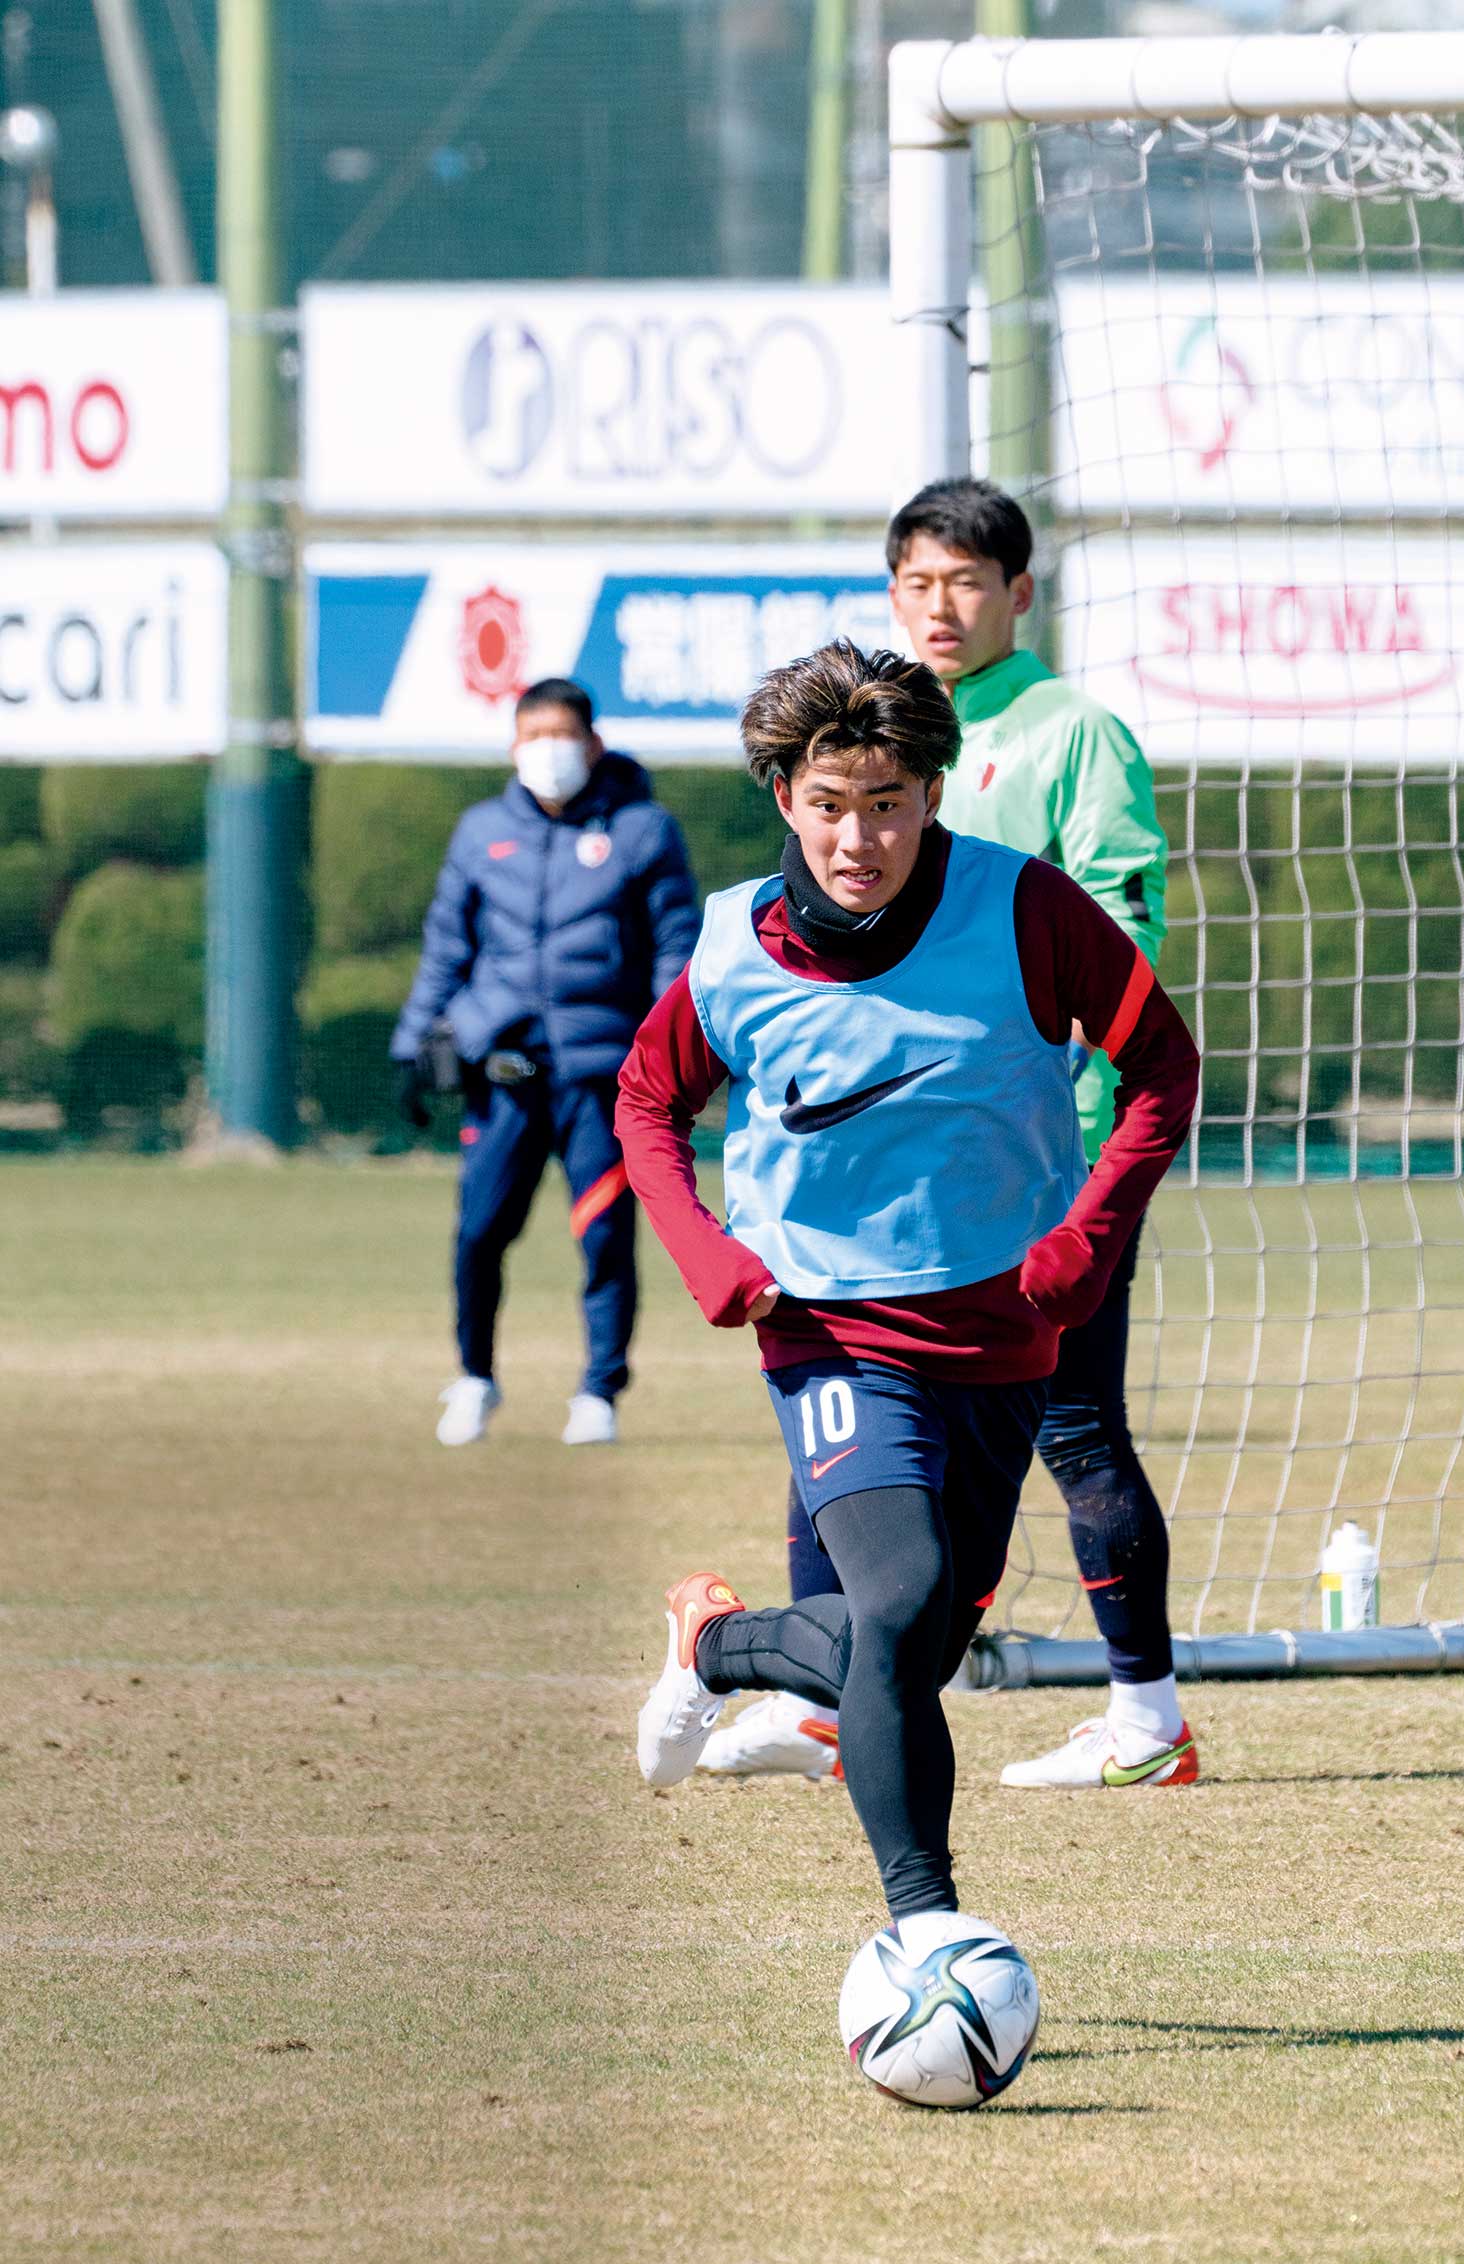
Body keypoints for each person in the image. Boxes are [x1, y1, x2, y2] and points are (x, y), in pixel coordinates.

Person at [619, 640, 1197, 1936]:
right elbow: (646, 1102)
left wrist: (1091, 1235)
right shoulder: (732, 947)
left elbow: (1163, 1067)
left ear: (933, 794)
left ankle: (712, 1644)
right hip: (827, 1328)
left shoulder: (1027, 909)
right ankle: (926, 1929)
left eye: (887, 804)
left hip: (1004, 1327)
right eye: (830, 805)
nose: (857, 839)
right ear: (785, 798)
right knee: (895, 1603)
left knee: (910, 1653)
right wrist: (708, 1251)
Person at [704, 478, 1193, 1791]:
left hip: (1042, 1163)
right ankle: (822, 1702)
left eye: (966, 581)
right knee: (842, 1429)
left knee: (1075, 1429)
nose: (941, 605)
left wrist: (1056, 1080)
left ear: (1017, 593)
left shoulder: (1071, 731)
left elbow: (1121, 926)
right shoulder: (867, 730)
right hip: (874, 1174)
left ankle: (1146, 1716)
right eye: (917, 581)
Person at [392, 676, 699, 1448]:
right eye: (533, 737)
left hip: (599, 1077)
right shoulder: (480, 832)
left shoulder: (642, 831)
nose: (547, 752)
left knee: (603, 1236)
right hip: (502, 1074)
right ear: (513, 746)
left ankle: (599, 1390)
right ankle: (474, 1376)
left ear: (593, 745)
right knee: (478, 1233)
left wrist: (667, 1052)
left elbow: (674, 948)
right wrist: (412, 1044)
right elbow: (446, 947)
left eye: (560, 736)